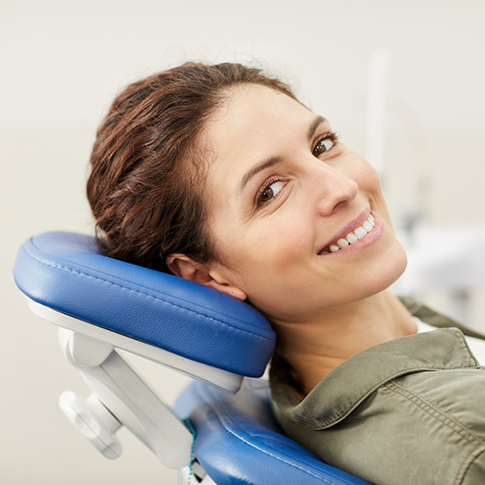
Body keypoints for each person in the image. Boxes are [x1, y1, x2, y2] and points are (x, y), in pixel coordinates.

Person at [87, 62, 485, 484]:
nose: (342, 187)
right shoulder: (461, 441)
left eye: (322, 144)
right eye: (270, 191)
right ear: (207, 277)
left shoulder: (367, 361)